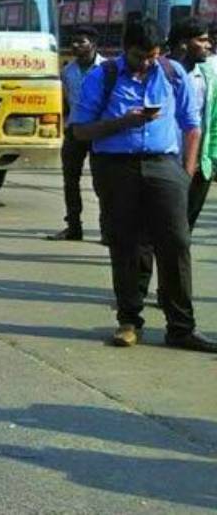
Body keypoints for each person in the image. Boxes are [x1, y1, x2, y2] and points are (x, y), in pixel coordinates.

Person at [70, 19, 215, 352]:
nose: (147, 63)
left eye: (153, 55)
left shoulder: (173, 73)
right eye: (139, 57)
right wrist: (125, 122)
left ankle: (181, 327)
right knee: (126, 245)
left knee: (176, 243)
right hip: (116, 167)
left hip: (164, 166)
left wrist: (186, 172)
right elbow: (80, 130)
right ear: (124, 50)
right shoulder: (102, 77)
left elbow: (192, 126)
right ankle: (129, 321)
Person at [46, 27, 105, 241]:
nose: (75, 45)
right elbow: (64, 101)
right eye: (73, 41)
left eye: (81, 41)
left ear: (93, 45)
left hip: (99, 131)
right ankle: (73, 226)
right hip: (74, 131)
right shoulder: (67, 71)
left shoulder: (106, 69)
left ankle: (106, 229)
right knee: (70, 180)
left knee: (102, 183)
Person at [167, 18, 215, 231]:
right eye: (202, 40)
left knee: (185, 230)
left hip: (198, 167)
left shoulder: (208, 76)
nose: (209, 45)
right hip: (165, 163)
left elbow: (213, 120)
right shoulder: (160, 72)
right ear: (183, 44)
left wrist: (211, 160)